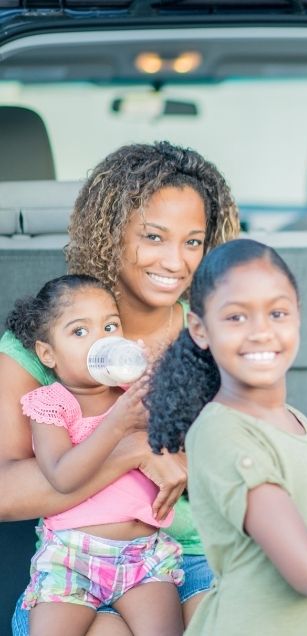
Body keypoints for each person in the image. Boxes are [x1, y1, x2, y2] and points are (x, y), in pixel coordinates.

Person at [1, 141, 240, 636]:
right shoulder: (44, 339)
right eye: (154, 236)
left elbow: (237, 468)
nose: (175, 262)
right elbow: (4, 491)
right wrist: (134, 449)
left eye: (192, 242)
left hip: (193, 557)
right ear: (111, 234)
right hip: (77, 565)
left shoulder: (210, 336)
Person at [146, 239, 307, 635]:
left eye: (277, 312)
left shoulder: (291, 420)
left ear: (298, 316)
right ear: (200, 329)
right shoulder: (223, 434)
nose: (261, 332)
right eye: (236, 317)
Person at [7, 275, 184, 636]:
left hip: (142, 557)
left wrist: (152, 383)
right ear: (47, 354)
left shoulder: (132, 395)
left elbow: (176, 451)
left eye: (109, 326)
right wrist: (117, 426)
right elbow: (61, 475)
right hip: (72, 557)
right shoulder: (52, 403)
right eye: (79, 332)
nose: (100, 340)